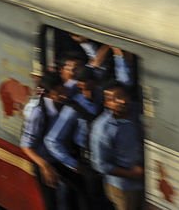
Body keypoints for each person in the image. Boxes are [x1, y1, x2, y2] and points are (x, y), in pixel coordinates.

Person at [45, 65, 108, 210]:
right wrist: (74, 165)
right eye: (83, 83)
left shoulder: (103, 99)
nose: (87, 88)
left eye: (90, 82)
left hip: (105, 163)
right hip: (87, 164)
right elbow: (52, 140)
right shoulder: (73, 108)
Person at [90, 81, 144, 210]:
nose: (121, 101)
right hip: (124, 187)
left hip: (146, 182)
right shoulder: (102, 128)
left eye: (122, 96)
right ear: (106, 103)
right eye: (114, 99)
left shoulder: (136, 112)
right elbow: (100, 164)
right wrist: (131, 173)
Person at [21, 71, 70, 210]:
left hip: (61, 159)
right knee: (52, 203)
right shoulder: (38, 113)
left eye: (63, 91)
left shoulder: (63, 105)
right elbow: (26, 146)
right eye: (58, 93)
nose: (63, 96)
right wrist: (45, 166)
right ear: (49, 94)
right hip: (45, 162)